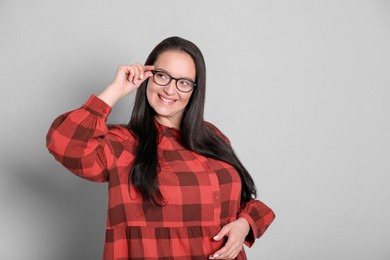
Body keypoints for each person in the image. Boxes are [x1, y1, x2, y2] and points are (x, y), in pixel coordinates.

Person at [46, 36, 275, 260]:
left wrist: (244, 224)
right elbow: (63, 143)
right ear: (147, 76)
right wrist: (116, 90)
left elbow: (244, 201)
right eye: (162, 76)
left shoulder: (212, 136)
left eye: (183, 82)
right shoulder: (123, 143)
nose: (170, 90)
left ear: (195, 90)